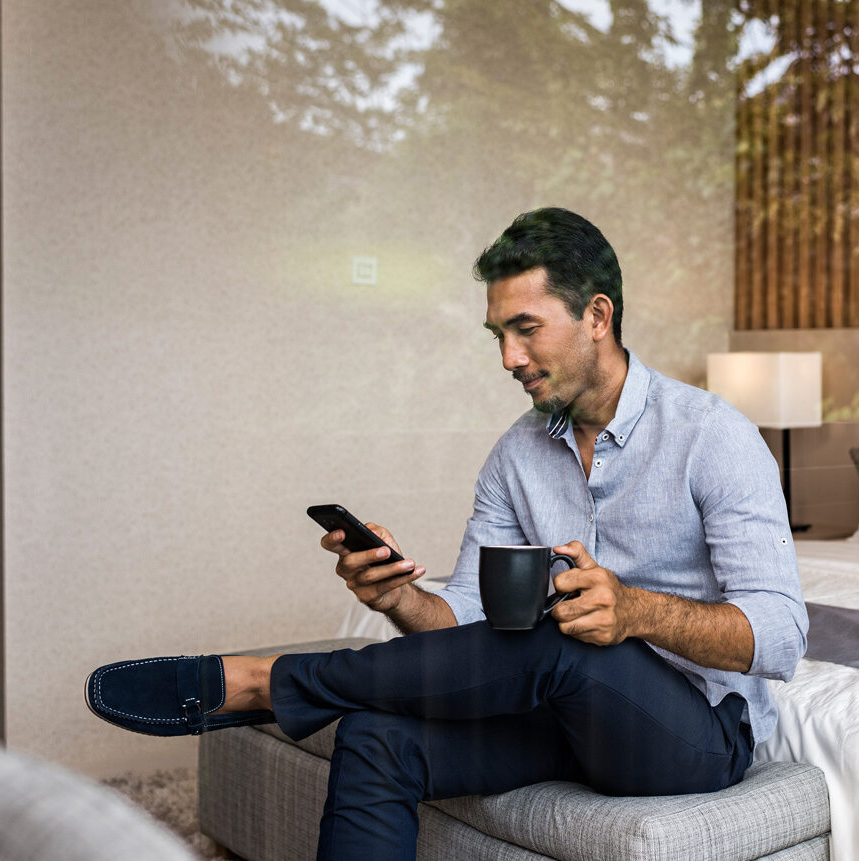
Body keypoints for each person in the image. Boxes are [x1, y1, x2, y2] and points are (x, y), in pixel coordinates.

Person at [85, 207, 808, 860]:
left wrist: (635, 610)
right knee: (377, 735)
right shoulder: (515, 455)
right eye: (499, 335)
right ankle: (280, 685)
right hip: (558, 716)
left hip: (692, 734)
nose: (509, 359)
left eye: (527, 329)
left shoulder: (715, 436)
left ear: (596, 314)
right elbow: (461, 617)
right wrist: (398, 598)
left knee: (561, 632)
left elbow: (780, 635)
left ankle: (263, 681)